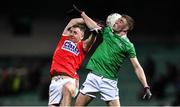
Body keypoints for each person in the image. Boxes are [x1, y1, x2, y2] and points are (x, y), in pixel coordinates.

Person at [72, 5, 152, 106]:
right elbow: (94, 26)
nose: (117, 22)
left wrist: (146, 86)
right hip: (93, 77)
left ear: (126, 28)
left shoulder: (128, 46)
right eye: (118, 20)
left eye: (121, 21)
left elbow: (137, 67)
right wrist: (82, 14)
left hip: (109, 82)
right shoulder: (108, 32)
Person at [48, 17, 97, 106]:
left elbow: (92, 38)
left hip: (70, 79)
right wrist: (88, 20)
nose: (71, 34)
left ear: (81, 36)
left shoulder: (82, 46)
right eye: (71, 31)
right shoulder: (64, 39)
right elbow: (73, 21)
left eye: (75, 33)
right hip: (55, 82)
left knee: (67, 88)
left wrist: (95, 29)